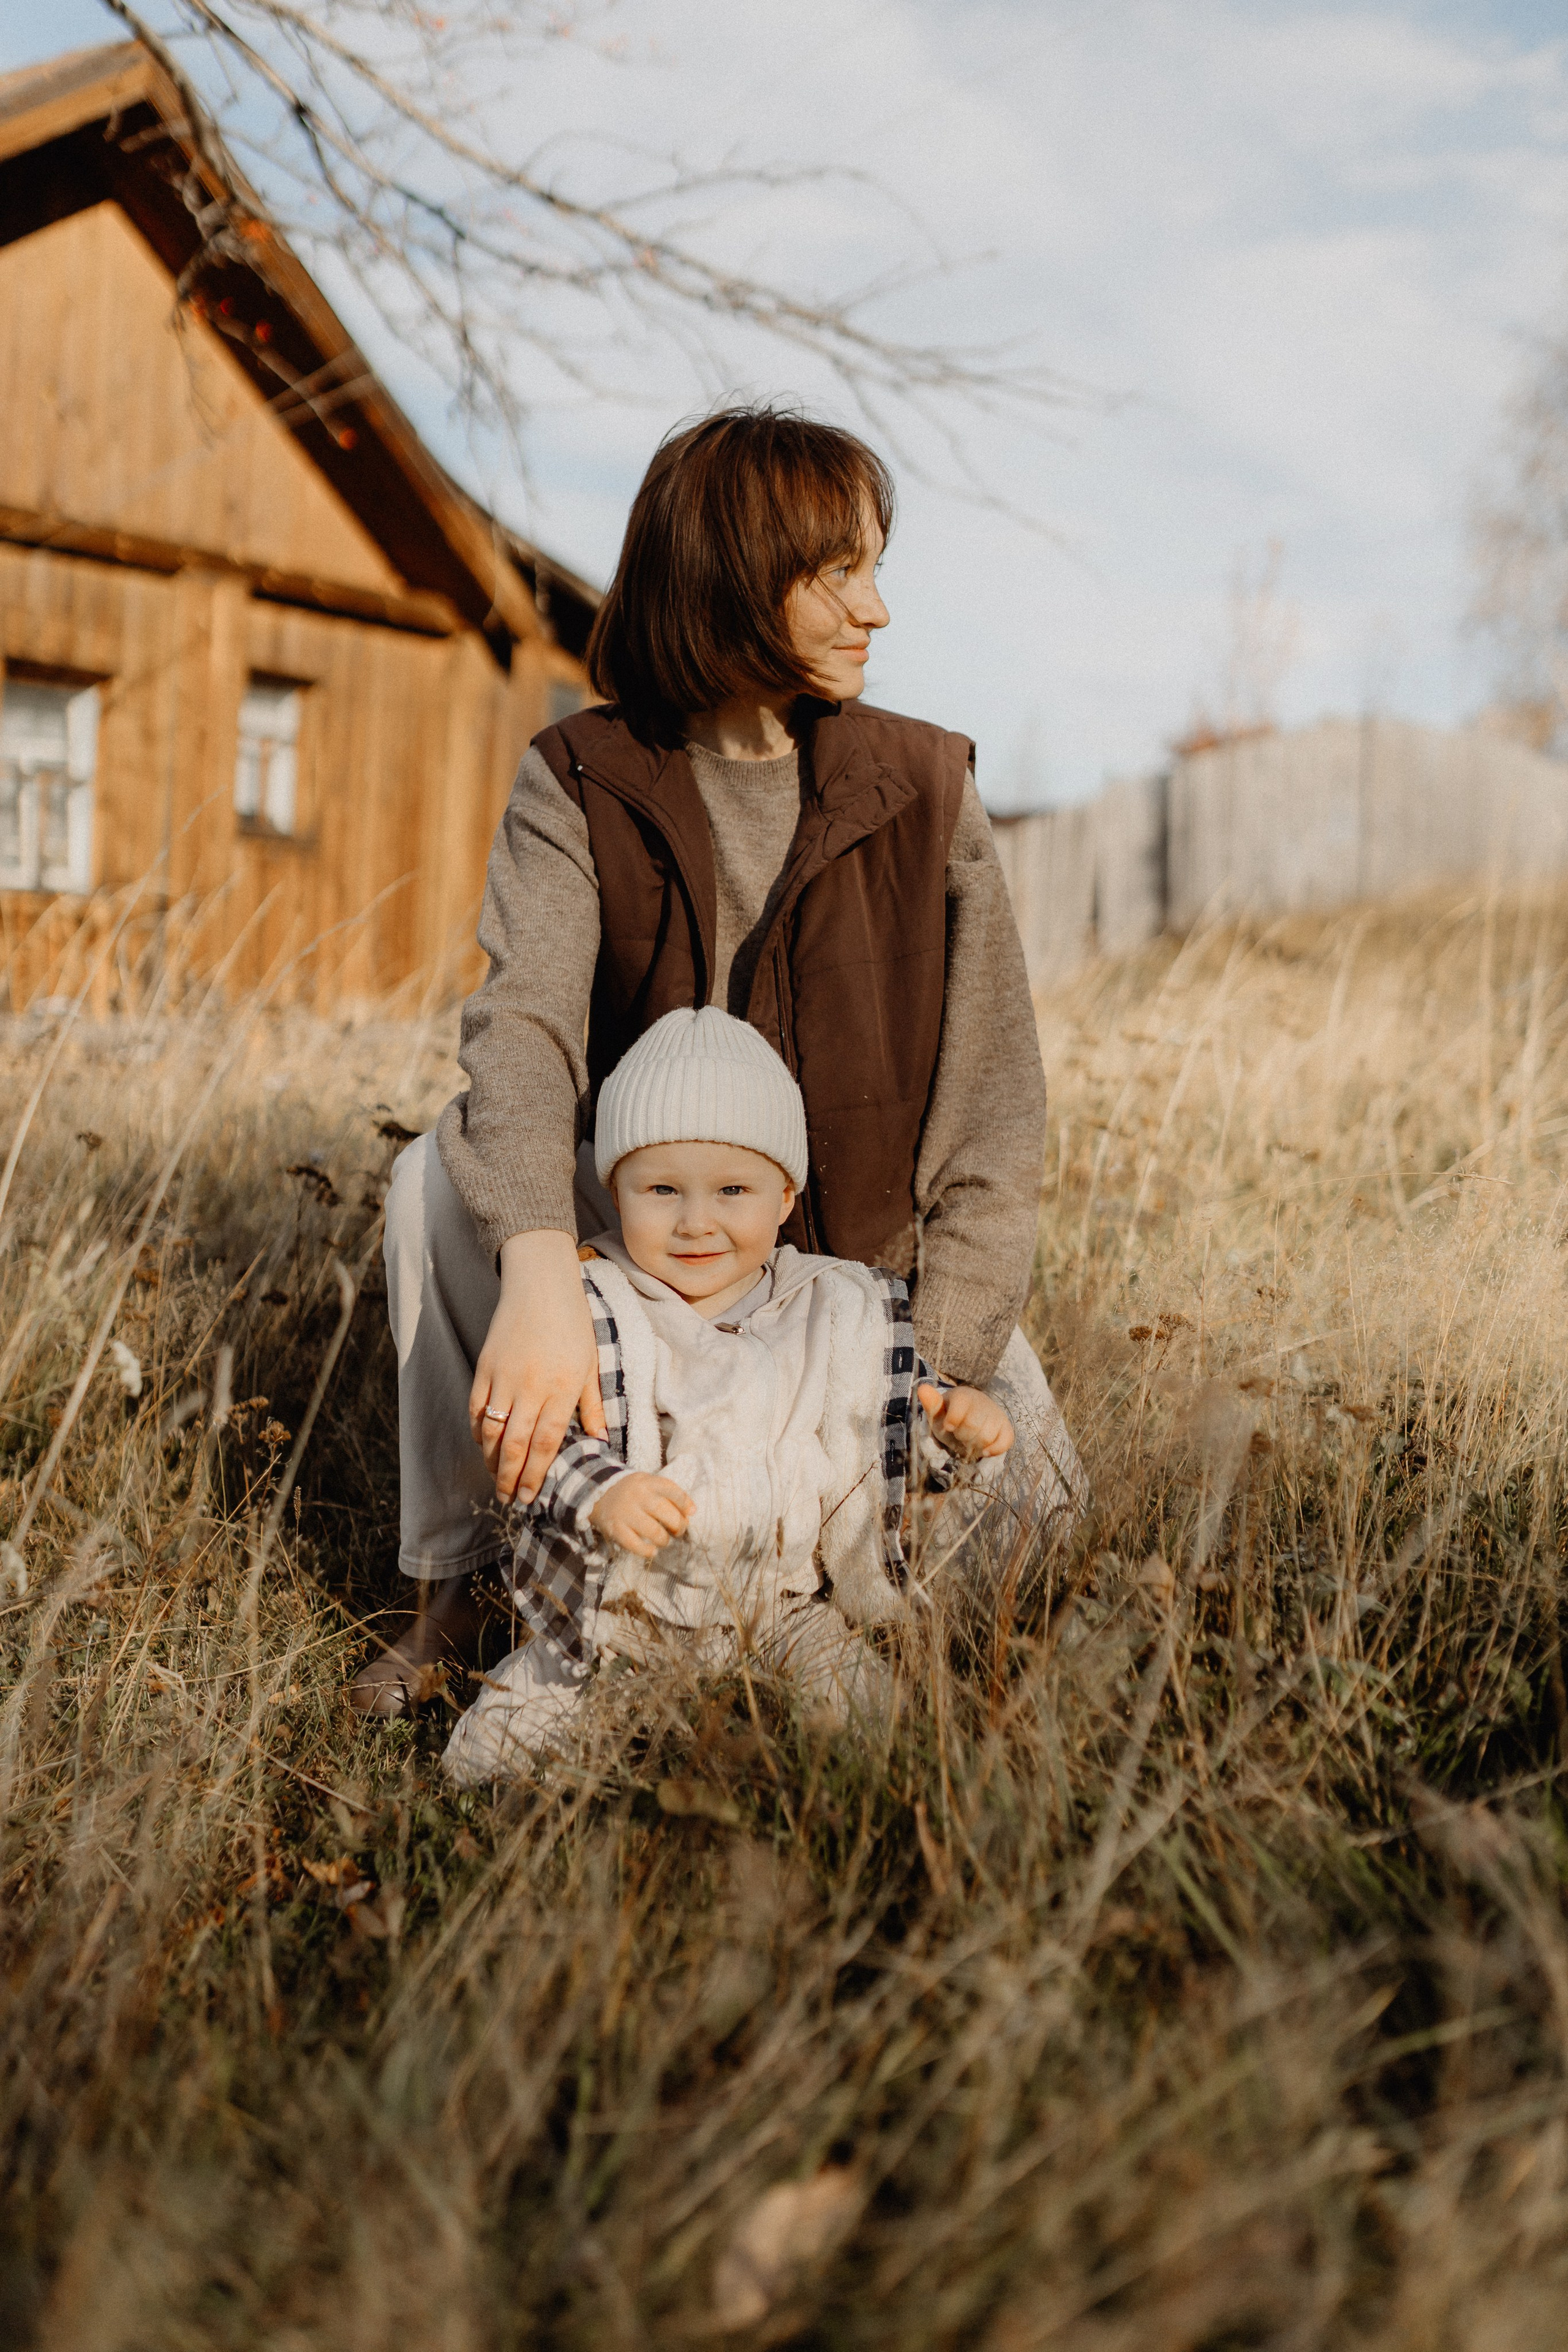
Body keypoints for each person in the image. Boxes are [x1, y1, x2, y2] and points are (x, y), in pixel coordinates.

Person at [357, 404, 1079, 1717]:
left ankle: (786, 1573)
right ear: (734, 579)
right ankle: (464, 1589)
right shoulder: (581, 777)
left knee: (1029, 1550)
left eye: (874, 564)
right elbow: (519, 1037)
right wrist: (534, 1271)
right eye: (837, 571)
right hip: (645, 1255)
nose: (875, 608)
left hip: (861, 1277)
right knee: (429, 1184)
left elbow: (993, 1113)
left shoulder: (924, 788)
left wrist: (933, 1369)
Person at [442, 1008, 1012, 1779]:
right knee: (493, 1748)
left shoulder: (833, 1308)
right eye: (663, 1189)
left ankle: (867, 1797)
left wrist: (952, 1429)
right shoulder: (593, 1303)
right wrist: (603, 1493)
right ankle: (503, 1811)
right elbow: (541, 1444)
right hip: (626, 1614)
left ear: (784, 1197)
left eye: (732, 1190)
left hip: (780, 1608)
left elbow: (876, 1427)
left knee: (876, 1724)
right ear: (616, 1190)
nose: (696, 1222)